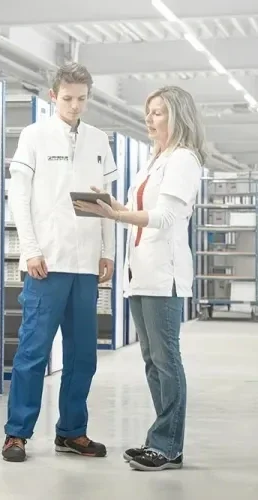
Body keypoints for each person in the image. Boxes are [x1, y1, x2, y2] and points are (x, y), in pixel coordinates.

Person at [74, 86, 205, 472]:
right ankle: (160, 442)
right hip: (140, 272)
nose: (150, 119)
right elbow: (143, 211)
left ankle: (167, 446)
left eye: (159, 113)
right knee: (151, 361)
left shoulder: (183, 160)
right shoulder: (154, 160)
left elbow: (164, 218)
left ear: (177, 117)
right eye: (148, 112)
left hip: (163, 273)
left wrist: (115, 217)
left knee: (166, 360)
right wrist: (114, 206)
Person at [1, 63, 116, 463]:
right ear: (54, 95)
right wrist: (29, 249)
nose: (74, 105)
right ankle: (17, 433)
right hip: (46, 263)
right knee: (33, 351)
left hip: (85, 265)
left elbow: (105, 203)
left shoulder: (99, 139)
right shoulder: (33, 136)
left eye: (82, 99)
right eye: (67, 98)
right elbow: (19, 198)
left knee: (83, 354)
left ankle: (72, 432)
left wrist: (108, 251)